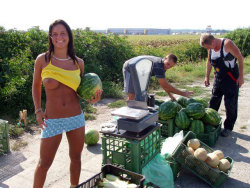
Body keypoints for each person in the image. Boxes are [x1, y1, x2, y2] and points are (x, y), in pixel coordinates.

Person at [32, 19, 102, 188]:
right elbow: (35, 86)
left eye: (63, 33)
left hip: (75, 118)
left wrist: (92, 99)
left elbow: (79, 90)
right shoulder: (43, 60)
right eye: (54, 34)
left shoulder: (79, 63)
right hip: (52, 120)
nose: (59, 37)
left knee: (76, 158)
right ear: (50, 37)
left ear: (69, 36)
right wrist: (38, 110)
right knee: (43, 163)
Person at [200, 34, 244, 137]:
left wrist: (241, 77)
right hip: (218, 77)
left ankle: (228, 127)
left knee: (230, 103)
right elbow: (209, 62)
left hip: (231, 78)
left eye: (208, 47)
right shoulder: (210, 48)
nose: (208, 49)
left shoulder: (227, 44)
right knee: (214, 100)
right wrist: (207, 76)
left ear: (213, 42)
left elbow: (240, 58)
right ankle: (210, 123)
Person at [123, 54, 193, 101]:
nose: (168, 67)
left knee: (141, 92)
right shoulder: (158, 66)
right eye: (168, 64)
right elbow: (165, 85)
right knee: (132, 93)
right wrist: (183, 93)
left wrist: (169, 94)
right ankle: (130, 114)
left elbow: (164, 84)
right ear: (165, 58)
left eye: (170, 66)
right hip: (130, 67)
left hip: (141, 71)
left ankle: (137, 108)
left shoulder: (163, 66)